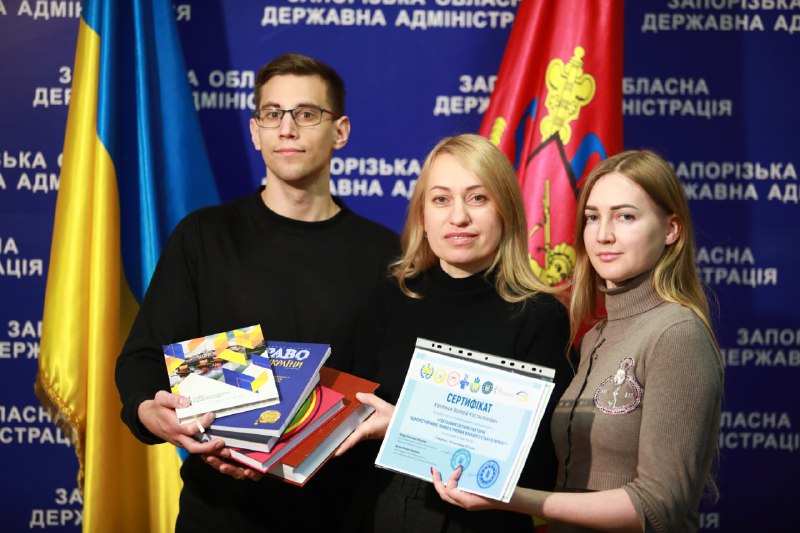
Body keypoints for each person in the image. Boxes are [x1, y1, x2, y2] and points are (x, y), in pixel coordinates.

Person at [115, 53, 399, 532]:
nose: (287, 128)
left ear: (340, 131)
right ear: (255, 131)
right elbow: (144, 358)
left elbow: (395, 393)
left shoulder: (388, 255)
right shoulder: (203, 237)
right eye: (272, 114)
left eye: (306, 113)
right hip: (219, 514)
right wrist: (150, 412)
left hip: (343, 516)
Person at [432, 150, 724, 533]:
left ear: (671, 230)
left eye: (625, 216)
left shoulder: (676, 334)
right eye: (592, 217)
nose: (603, 235)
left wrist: (512, 498)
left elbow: (658, 507)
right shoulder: (594, 337)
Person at [336, 134, 574, 532]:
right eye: (441, 199)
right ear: (422, 216)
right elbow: (346, 417)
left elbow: (539, 469)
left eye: (478, 198)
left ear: (506, 211)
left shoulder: (540, 316)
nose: (458, 217)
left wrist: (406, 427)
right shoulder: (389, 297)